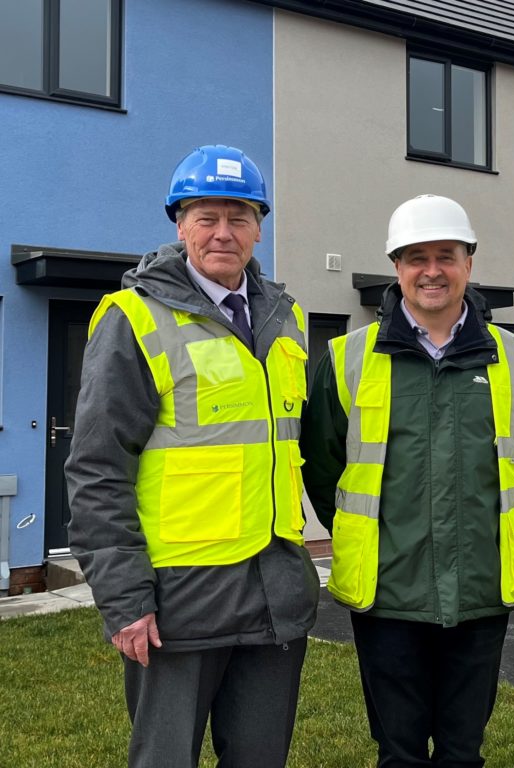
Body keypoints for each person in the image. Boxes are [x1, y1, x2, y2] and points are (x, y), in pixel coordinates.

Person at [66, 145, 319, 768]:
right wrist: (126, 599)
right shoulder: (134, 319)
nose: (223, 233)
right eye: (207, 217)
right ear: (179, 224)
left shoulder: (286, 321)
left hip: (272, 593)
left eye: (239, 217)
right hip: (177, 601)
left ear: (259, 225)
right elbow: (98, 469)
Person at [300, 194, 514, 767]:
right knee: (399, 752)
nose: (431, 270)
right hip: (389, 594)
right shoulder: (347, 358)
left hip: (480, 591)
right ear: (396, 267)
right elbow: (323, 466)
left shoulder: (512, 358)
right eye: (416, 257)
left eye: (446, 255)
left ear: (469, 263)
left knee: (463, 751)